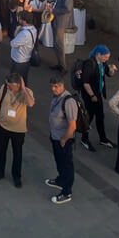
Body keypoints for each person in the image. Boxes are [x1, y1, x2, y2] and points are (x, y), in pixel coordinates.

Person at [0, 73, 35, 188]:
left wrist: (24, 88)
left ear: (18, 85)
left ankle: (16, 176)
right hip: (3, 127)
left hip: (18, 130)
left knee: (17, 154)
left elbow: (30, 103)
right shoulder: (4, 88)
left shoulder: (27, 92)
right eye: (8, 85)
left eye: (11, 86)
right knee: (1, 151)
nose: (8, 87)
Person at [46, 75, 78, 205]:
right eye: (52, 87)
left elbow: (73, 126)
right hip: (55, 137)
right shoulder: (56, 97)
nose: (53, 89)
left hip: (64, 139)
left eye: (56, 86)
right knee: (59, 161)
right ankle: (60, 180)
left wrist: (64, 139)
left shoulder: (68, 102)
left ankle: (67, 191)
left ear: (62, 85)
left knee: (67, 165)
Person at [79, 45, 117, 151]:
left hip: (98, 94)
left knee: (100, 116)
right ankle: (84, 139)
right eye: (105, 57)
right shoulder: (89, 63)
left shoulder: (102, 63)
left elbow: (109, 74)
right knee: (89, 117)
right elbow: (85, 82)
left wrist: (112, 69)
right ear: (98, 54)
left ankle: (103, 139)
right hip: (90, 96)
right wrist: (92, 96)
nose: (107, 59)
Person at [50, 0, 74, 74]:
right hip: (57, 19)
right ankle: (60, 64)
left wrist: (54, 10)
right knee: (56, 43)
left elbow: (67, 8)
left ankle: (64, 67)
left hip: (61, 21)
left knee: (59, 44)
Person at [9, 12, 38, 83]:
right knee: (23, 81)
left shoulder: (24, 34)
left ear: (24, 21)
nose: (18, 20)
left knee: (14, 82)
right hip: (26, 60)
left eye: (20, 18)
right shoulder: (34, 29)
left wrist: (17, 30)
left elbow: (12, 43)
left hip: (19, 61)